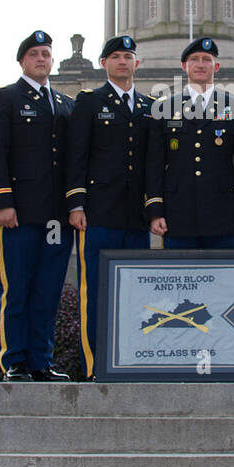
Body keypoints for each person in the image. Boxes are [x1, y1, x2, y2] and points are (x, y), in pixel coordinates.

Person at [0, 30, 74, 382]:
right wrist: (1, 202)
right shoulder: (3, 99)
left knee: (48, 291)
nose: (41, 59)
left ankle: (41, 361)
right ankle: (15, 360)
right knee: (17, 289)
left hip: (55, 219)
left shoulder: (65, 104)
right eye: (34, 54)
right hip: (18, 214)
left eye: (46, 54)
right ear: (22, 61)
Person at [65, 35, 154, 379]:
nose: (122, 61)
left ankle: (131, 360)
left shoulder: (148, 106)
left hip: (136, 216)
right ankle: (95, 364)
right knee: (96, 290)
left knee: (136, 293)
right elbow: (77, 155)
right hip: (98, 213)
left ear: (136, 64)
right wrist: (76, 203)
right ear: (104, 64)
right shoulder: (89, 102)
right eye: (115, 56)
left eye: (127, 56)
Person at [144, 37, 234, 250]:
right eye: (194, 59)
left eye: (206, 59)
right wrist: (155, 210)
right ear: (184, 66)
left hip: (223, 214)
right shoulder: (163, 108)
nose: (200, 64)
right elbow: (154, 164)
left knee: (223, 279)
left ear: (216, 66)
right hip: (177, 214)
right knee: (180, 279)